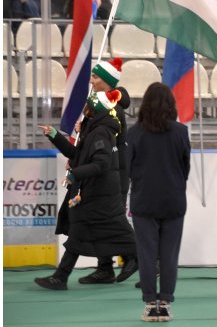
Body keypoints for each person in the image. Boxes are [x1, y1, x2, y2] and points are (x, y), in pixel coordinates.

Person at [34, 90, 136, 290]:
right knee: (81, 234)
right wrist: (55, 136)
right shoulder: (95, 129)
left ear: (94, 110)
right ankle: (62, 277)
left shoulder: (100, 133)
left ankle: (61, 277)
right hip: (96, 193)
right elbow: (77, 154)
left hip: (100, 195)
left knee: (90, 235)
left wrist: (75, 174)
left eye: (88, 106)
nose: (85, 109)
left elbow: (101, 164)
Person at [127, 82, 191, 322]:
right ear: (170, 105)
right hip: (173, 200)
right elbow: (185, 167)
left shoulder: (133, 133)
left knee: (146, 254)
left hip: (144, 200)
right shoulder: (181, 132)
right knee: (169, 255)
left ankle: (148, 303)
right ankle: (165, 302)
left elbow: (128, 168)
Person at [76, 57, 138, 285]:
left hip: (115, 170)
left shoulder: (113, 109)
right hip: (105, 169)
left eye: (95, 76)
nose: (91, 80)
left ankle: (136, 257)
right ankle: (106, 266)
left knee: (113, 218)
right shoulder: (99, 104)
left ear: (108, 81)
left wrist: (87, 132)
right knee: (102, 217)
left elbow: (103, 139)